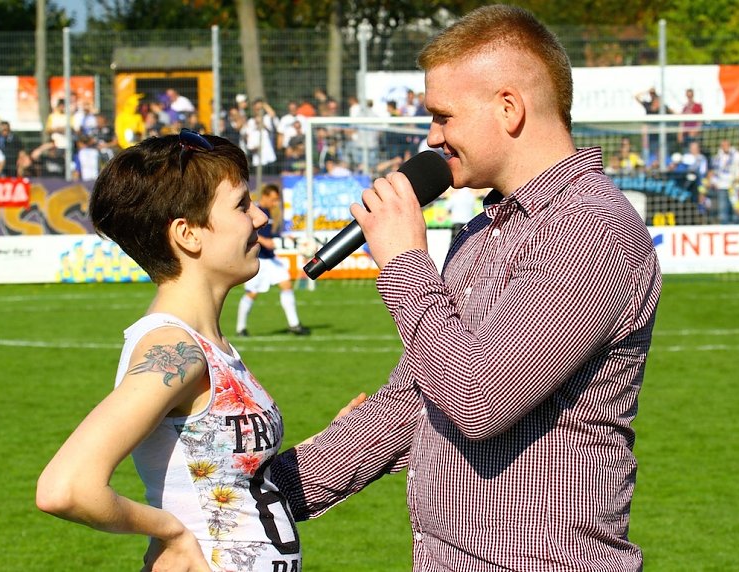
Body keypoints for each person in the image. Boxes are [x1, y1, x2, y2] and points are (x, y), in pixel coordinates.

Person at [270, 5, 661, 571]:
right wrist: (278, 488)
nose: (432, 138)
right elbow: (417, 400)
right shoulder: (484, 229)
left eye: (443, 116)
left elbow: (479, 402)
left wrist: (405, 261)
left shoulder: (593, 230)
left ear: (509, 108)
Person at [36, 130, 354, 571]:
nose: (260, 218)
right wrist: (171, 533)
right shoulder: (175, 348)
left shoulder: (207, 343)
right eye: (242, 205)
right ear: (188, 234)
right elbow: (66, 487)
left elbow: (235, 482)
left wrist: (333, 444)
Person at [236, 183, 310, 337]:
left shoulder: (270, 213)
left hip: (271, 258)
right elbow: (247, 231)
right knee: (252, 293)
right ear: (265, 196)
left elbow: (272, 235)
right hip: (257, 259)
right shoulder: (254, 211)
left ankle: (294, 324)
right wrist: (264, 241)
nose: (276, 203)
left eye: (277, 200)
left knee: (286, 285)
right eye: (273, 199)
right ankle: (240, 328)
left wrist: (285, 237)